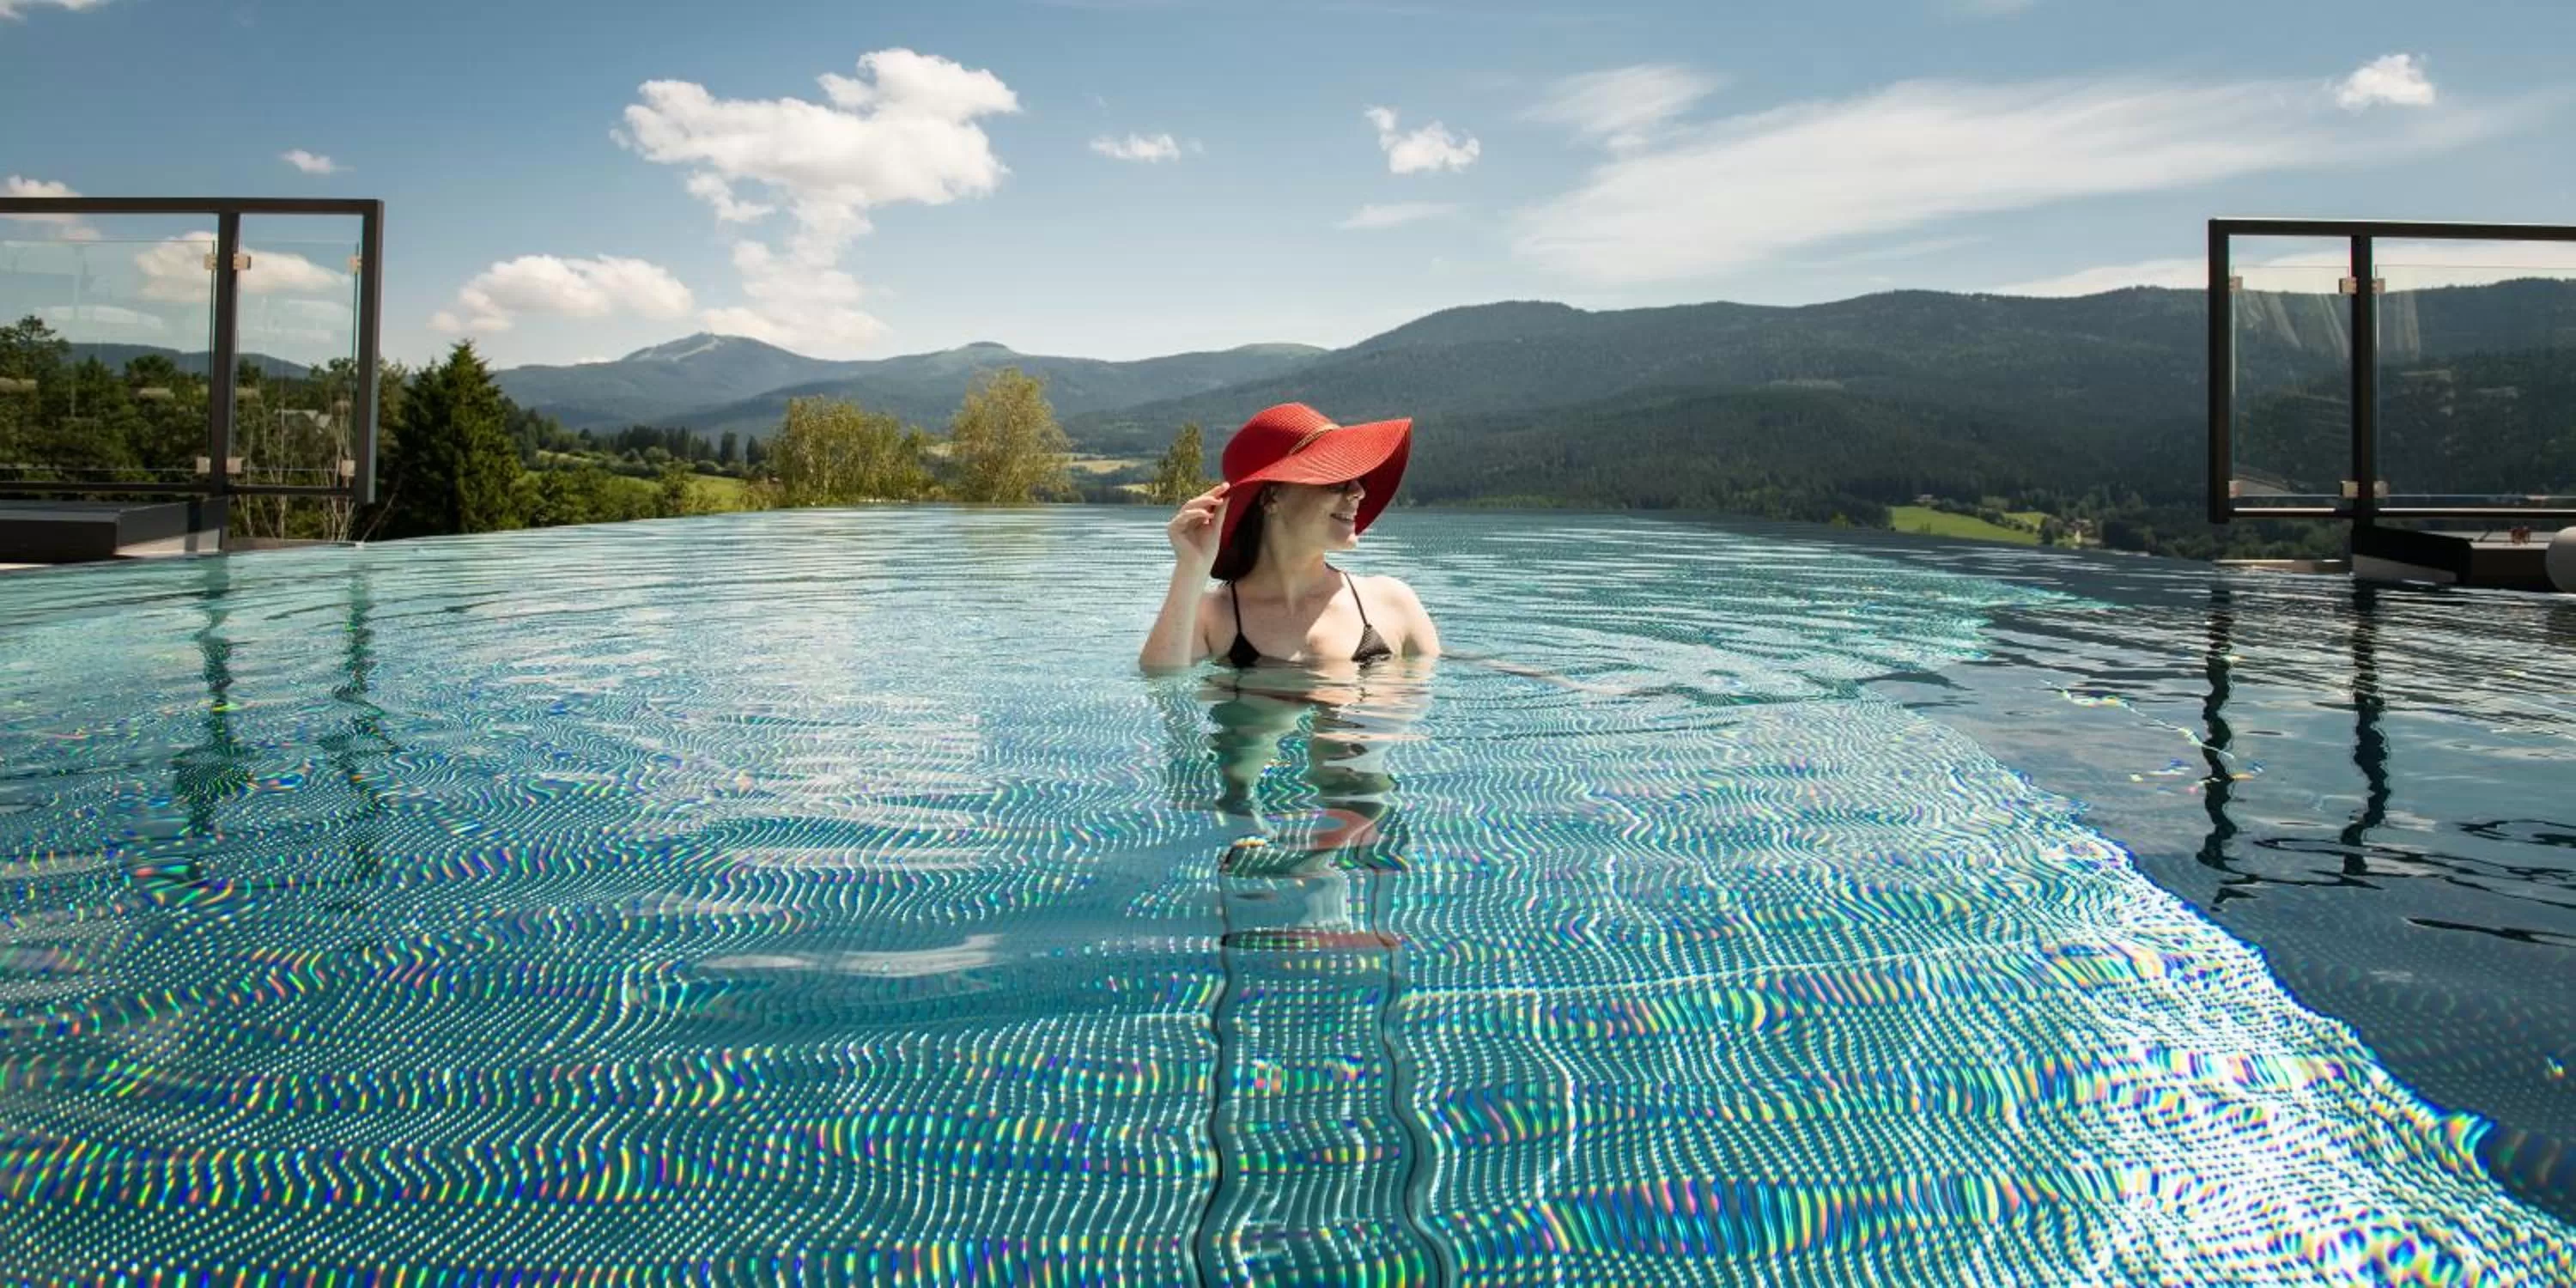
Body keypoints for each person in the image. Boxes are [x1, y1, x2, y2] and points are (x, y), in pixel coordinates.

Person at [1139, 402, 1439, 672]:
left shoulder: (1392, 601)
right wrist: (1191, 568)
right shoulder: (1209, 615)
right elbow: (1163, 687)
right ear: (1271, 497)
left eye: (1359, 479)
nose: (1358, 492)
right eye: (1338, 480)